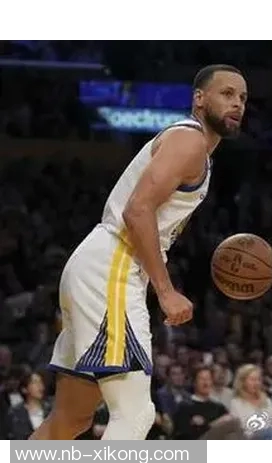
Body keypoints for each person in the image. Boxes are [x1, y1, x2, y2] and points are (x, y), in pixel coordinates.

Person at [29, 64, 248, 441]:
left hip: (95, 264)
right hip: (111, 268)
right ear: (199, 99)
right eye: (227, 94)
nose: (237, 104)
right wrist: (166, 291)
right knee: (135, 414)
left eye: (243, 98)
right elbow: (137, 210)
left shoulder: (194, 148)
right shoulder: (190, 141)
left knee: (71, 420)